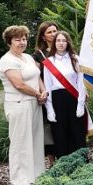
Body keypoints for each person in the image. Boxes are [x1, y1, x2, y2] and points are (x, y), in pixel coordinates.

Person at [0, 25, 46, 185]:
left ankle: (37, 176)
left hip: (34, 103)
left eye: (24, 39)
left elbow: (37, 76)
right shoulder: (7, 60)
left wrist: (43, 91)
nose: (22, 42)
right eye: (17, 39)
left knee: (35, 140)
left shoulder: (27, 57)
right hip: (19, 105)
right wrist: (37, 94)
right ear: (9, 42)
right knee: (20, 143)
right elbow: (19, 84)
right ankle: (20, 182)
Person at [42, 31, 87, 158]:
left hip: (74, 98)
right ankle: (63, 162)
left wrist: (80, 104)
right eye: (58, 40)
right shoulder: (49, 62)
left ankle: (81, 161)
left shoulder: (75, 59)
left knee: (77, 131)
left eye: (64, 40)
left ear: (68, 42)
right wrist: (50, 109)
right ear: (54, 43)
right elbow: (48, 87)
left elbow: (81, 83)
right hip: (57, 100)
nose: (61, 43)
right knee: (60, 132)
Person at [32, 21, 58, 164]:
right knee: (49, 128)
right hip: (48, 96)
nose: (53, 34)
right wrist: (40, 93)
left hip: (64, 94)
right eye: (49, 32)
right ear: (43, 37)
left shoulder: (64, 49)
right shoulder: (37, 55)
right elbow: (35, 76)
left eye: (55, 31)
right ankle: (52, 162)